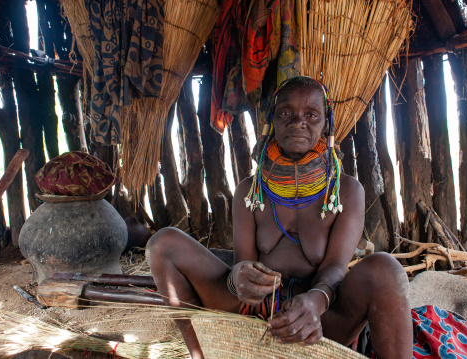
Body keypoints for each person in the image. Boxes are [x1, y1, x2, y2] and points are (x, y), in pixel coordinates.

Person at [147, 76, 412, 359]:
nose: (298, 122)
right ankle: (201, 353)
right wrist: (240, 278)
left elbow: (335, 268)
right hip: (251, 312)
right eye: (286, 113)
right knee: (163, 243)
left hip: (317, 318)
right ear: (272, 119)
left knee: (386, 269)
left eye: (311, 115)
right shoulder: (250, 191)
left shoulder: (345, 191)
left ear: (326, 124)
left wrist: (315, 300)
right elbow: (243, 262)